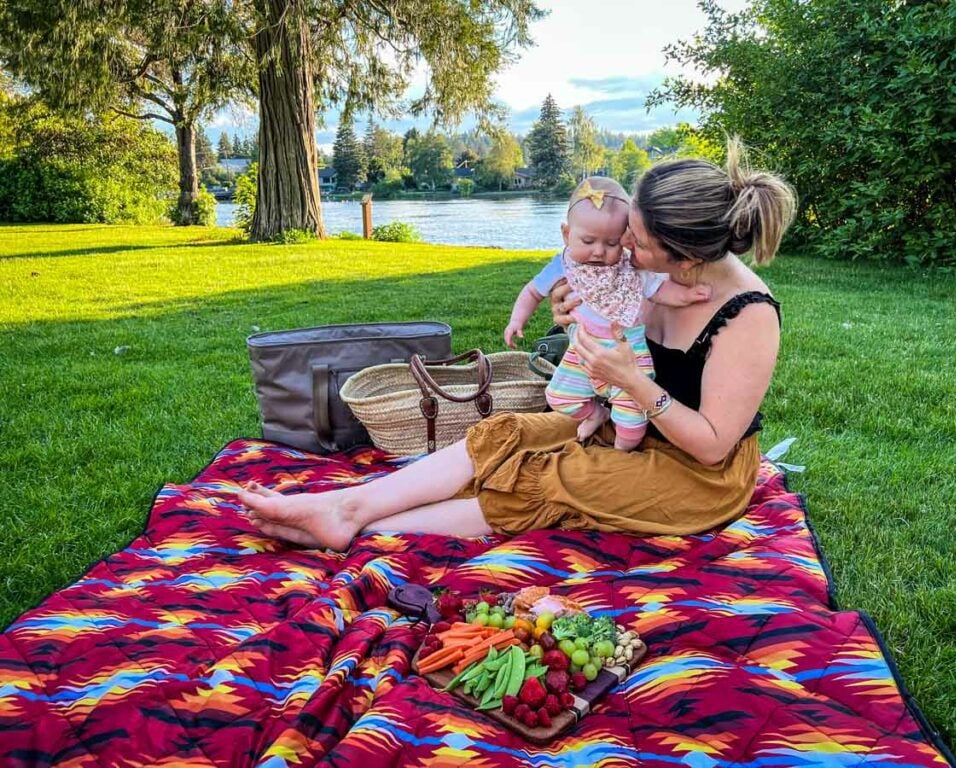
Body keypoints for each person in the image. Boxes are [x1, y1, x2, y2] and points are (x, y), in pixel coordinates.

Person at [238, 137, 796, 551]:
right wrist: (567, 319)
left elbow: (712, 446)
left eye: (640, 242)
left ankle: (359, 528)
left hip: (695, 475)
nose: (624, 245)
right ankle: (346, 504)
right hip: (615, 419)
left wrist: (633, 382)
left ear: (687, 258)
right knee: (506, 433)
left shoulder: (747, 316)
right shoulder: (642, 271)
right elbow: (603, 340)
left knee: (550, 478)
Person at [504, 176, 711, 450]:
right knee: (559, 398)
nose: (599, 251)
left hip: (629, 354)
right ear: (567, 234)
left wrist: (686, 295)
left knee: (631, 421)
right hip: (584, 352)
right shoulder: (563, 265)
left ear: (624, 240)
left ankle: (621, 453)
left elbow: (657, 291)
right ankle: (595, 413)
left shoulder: (630, 269)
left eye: (612, 243)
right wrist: (517, 320)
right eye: (588, 240)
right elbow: (533, 291)